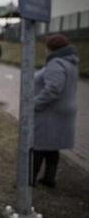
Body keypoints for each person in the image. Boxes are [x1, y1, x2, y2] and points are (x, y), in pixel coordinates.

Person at [33, 34, 78, 188]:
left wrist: (34, 104)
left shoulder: (56, 63)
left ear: (50, 48)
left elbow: (53, 89)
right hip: (60, 112)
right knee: (52, 147)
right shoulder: (70, 63)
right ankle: (49, 178)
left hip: (49, 113)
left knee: (37, 145)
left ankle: (29, 179)